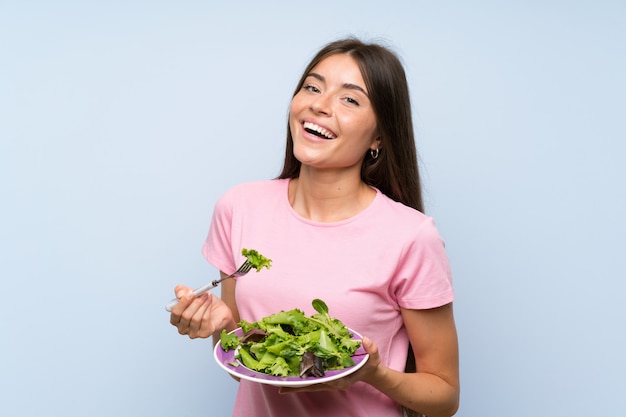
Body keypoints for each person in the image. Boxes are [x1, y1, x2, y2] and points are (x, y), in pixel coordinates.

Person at [169, 37, 460, 417]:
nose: (319, 105)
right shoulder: (239, 208)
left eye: (350, 99)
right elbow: (247, 371)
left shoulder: (411, 237)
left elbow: (444, 395)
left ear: (378, 137)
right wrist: (227, 329)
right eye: (312, 87)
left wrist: (372, 374)